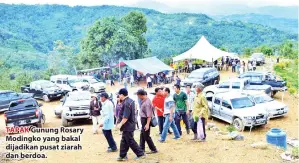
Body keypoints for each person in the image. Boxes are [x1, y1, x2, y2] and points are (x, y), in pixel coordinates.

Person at [116, 89, 145, 161]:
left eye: (119, 95)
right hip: (129, 124)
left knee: (130, 140)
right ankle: (122, 155)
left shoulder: (126, 103)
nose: (118, 96)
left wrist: (120, 124)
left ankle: (140, 153)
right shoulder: (130, 100)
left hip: (128, 125)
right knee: (124, 140)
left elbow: (126, 117)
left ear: (122, 95)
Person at [137, 89, 158, 154]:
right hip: (143, 119)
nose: (137, 97)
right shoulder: (145, 100)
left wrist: (147, 124)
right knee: (142, 134)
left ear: (141, 95)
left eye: (138, 95)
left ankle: (153, 149)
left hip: (146, 120)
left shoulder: (147, 103)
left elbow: (149, 115)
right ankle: (141, 148)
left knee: (146, 136)